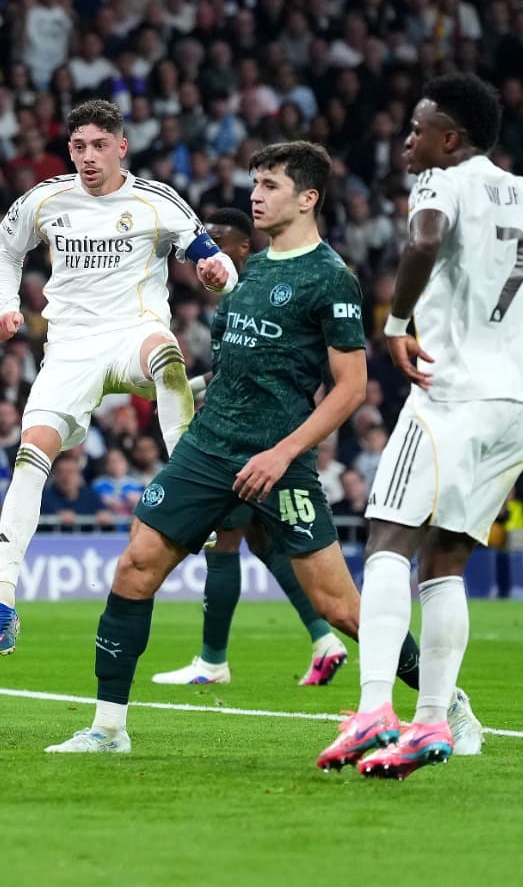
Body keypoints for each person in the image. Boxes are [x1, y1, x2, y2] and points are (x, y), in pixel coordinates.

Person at [45, 142, 417, 756]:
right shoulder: (254, 271)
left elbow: (351, 388)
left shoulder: (331, 278)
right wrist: (183, 394)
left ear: (308, 198)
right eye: (255, 183)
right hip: (208, 449)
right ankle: (108, 729)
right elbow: (239, 370)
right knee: (136, 566)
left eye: (270, 185)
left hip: (278, 461)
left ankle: (443, 703)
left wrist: (283, 453)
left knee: (341, 609)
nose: (255, 196)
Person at [340, 74, 523, 779]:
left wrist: (395, 323)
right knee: (445, 564)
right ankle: (433, 721)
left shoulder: (440, 181)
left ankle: (374, 708)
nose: (408, 141)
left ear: (450, 139)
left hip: (450, 394)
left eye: (417, 129)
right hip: (514, 405)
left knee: (387, 540)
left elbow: (425, 238)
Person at [0, 99, 237, 656]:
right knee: (31, 454)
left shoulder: (156, 201)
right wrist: (8, 304)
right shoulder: (45, 199)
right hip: (70, 349)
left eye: (100, 145)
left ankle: (193, 496)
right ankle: (2, 598)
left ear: (122, 146)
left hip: (132, 334)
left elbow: (218, 264)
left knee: (165, 352)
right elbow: (7, 250)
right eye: (79, 147)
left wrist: (218, 275)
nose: (89, 157)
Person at [151, 208, 351, 687]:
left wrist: (186, 389)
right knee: (262, 542)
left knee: (225, 543)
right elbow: (230, 372)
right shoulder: (238, 295)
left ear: (244, 248)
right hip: (254, 436)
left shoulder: (262, 290)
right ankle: (323, 639)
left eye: (218, 241)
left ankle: (212, 661)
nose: (206, 251)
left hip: (250, 441)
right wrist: (186, 387)